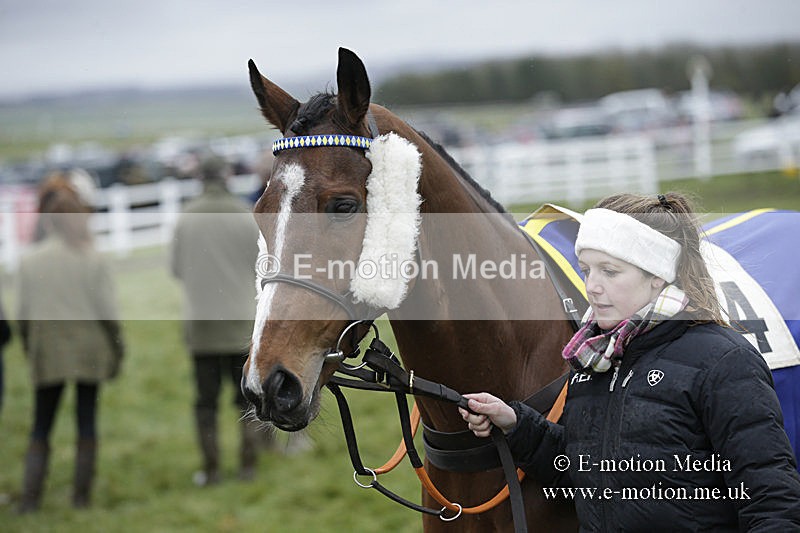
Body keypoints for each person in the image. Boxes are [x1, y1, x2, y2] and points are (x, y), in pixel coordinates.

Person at [460, 192, 800, 530]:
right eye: (586, 270)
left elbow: (771, 499)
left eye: (609, 271)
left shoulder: (724, 361)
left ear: (657, 275)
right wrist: (516, 425)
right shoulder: (595, 359)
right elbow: (588, 472)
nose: (591, 286)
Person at [17, 176, 124, 512]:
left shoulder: (30, 262)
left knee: (41, 425)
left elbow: (23, 317)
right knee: (86, 421)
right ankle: (81, 498)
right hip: (90, 352)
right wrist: (118, 349)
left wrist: (30, 349)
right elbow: (109, 314)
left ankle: (30, 499)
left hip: (47, 353)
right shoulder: (93, 258)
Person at [171, 156, 264, 485]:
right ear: (227, 177)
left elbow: (177, 270)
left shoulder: (186, 217)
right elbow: (260, 267)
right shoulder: (244, 216)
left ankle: (211, 470)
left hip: (203, 327)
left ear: (200, 178)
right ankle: (248, 465)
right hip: (241, 324)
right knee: (246, 399)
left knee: (206, 402)